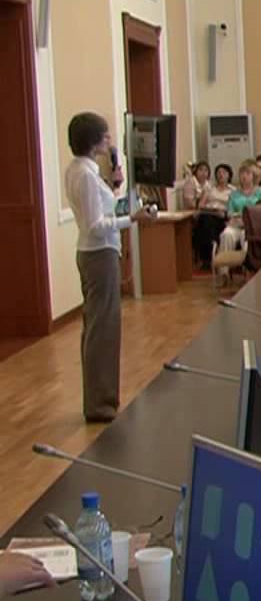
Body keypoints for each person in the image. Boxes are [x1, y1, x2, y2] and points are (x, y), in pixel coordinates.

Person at [65, 113, 152, 422]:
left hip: (95, 253)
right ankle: (100, 404)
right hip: (99, 254)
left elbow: (99, 211)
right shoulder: (86, 176)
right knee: (103, 330)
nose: (109, 142)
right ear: (93, 141)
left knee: (98, 327)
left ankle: (100, 399)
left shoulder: (81, 170)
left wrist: (115, 189)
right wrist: (133, 219)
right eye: (105, 137)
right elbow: (96, 226)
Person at [222, 159, 261, 254]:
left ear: (254, 176)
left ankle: (248, 262)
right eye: (242, 173)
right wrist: (235, 217)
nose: (244, 176)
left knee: (246, 239)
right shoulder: (234, 193)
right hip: (237, 224)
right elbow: (229, 212)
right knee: (226, 234)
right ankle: (224, 262)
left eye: (248, 173)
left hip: (253, 225)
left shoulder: (260, 192)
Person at [195, 163, 233, 269]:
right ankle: (208, 257)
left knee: (207, 223)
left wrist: (224, 212)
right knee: (205, 220)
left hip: (223, 215)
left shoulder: (233, 190)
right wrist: (209, 208)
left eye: (224, 172)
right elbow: (201, 205)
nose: (221, 175)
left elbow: (233, 208)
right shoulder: (210, 189)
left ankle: (211, 255)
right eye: (218, 172)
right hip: (209, 213)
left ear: (229, 175)